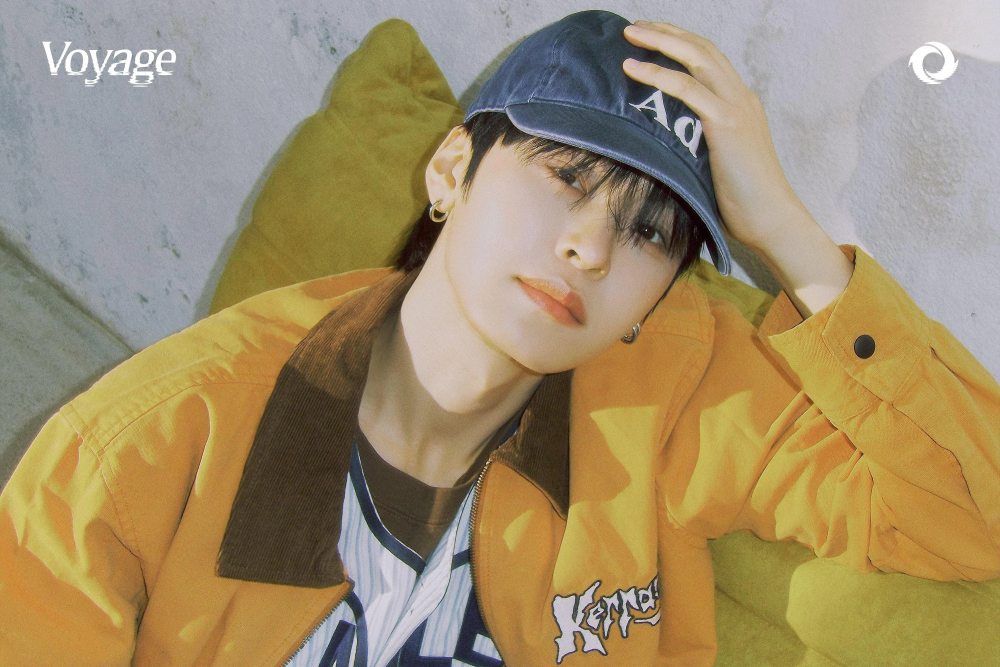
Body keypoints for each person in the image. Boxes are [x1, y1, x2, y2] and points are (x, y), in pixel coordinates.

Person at [1, 9, 998, 667]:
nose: (591, 248)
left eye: (651, 233)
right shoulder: (140, 449)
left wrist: (785, 232)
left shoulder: (673, 383)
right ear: (451, 171)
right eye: (565, 175)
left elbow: (969, 512)